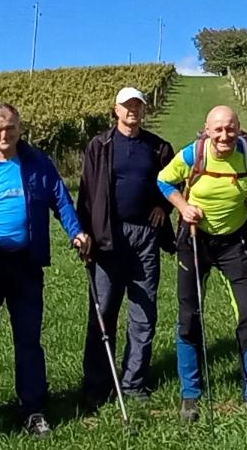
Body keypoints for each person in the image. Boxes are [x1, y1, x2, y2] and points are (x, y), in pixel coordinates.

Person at [0, 103, 90, 435]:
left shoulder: (38, 164)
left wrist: (76, 232)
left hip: (25, 264)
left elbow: (61, 200)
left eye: (9, 127)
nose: (3, 134)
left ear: (20, 128)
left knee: (28, 338)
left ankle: (34, 409)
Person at [157, 104, 247, 423]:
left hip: (235, 242)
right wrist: (182, 206)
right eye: (218, 129)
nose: (225, 135)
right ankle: (190, 394)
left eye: (230, 129)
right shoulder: (191, 155)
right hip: (194, 239)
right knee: (189, 316)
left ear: (238, 129)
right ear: (207, 130)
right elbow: (164, 181)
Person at [75, 86, 174, 408]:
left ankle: (134, 382)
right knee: (103, 312)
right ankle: (98, 384)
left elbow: (174, 181)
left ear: (144, 110)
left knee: (144, 311)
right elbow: (87, 193)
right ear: (115, 110)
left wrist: (164, 207)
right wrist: (84, 234)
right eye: (126, 106)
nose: (132, 110)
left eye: (137, 105)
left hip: (145, 235)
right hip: (107, 237)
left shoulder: (158, 147)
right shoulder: (100, 145)